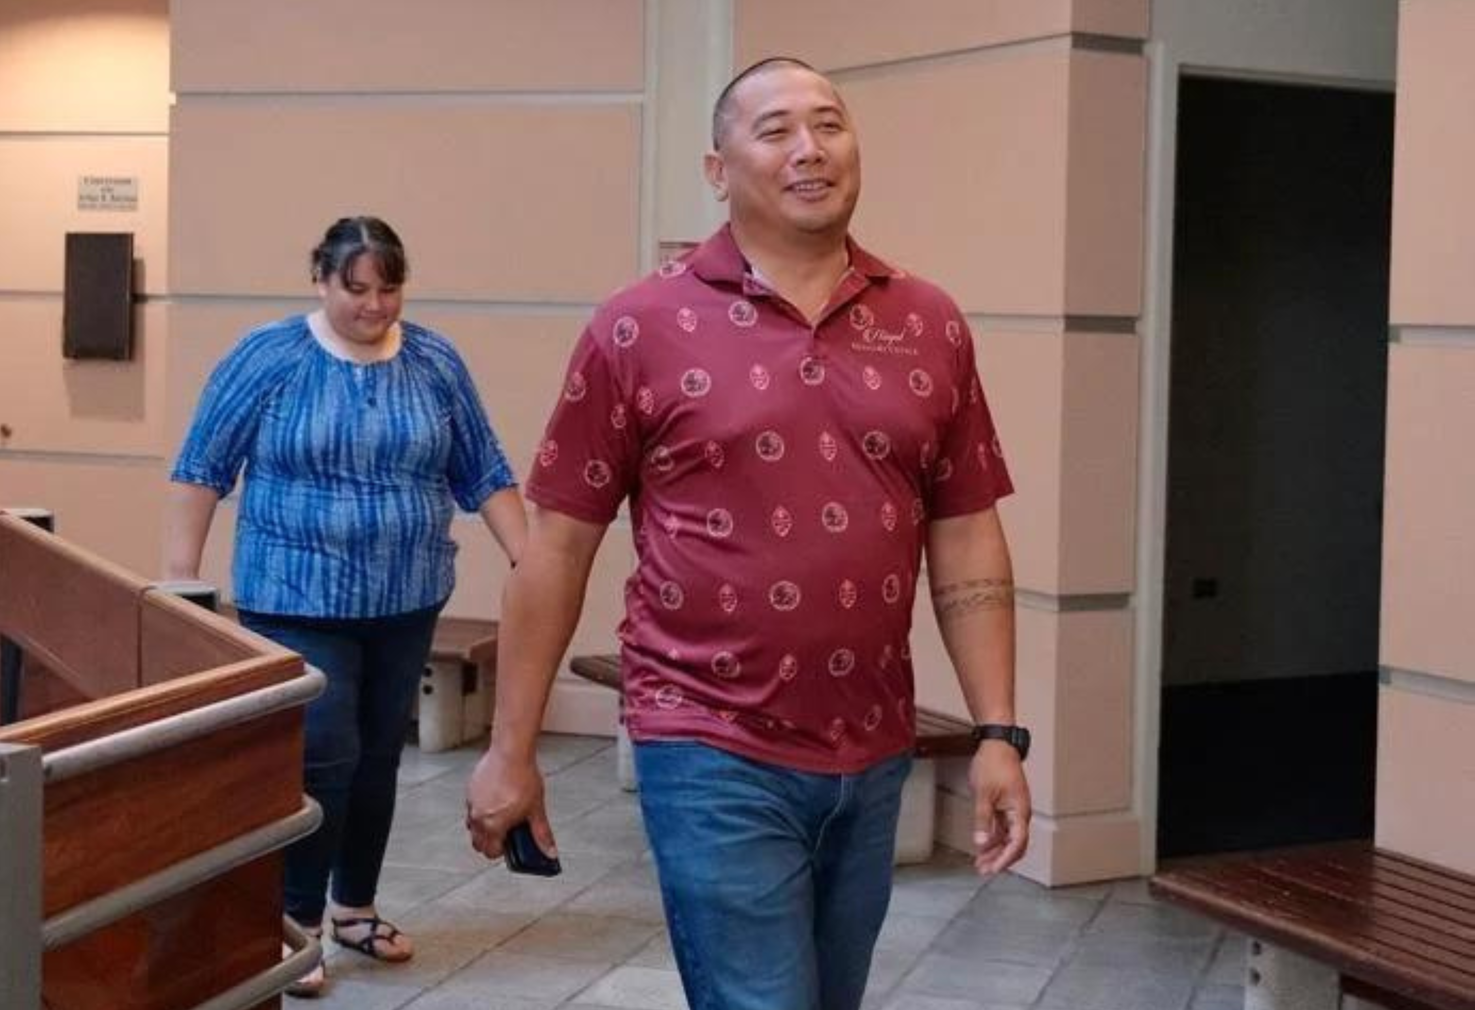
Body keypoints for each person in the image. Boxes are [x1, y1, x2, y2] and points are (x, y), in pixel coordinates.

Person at [465, 57, 1032, 1009]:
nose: (809, 150)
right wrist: (509, 747)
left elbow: (967, 532)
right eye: (775, 131)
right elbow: (557, 544)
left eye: (830, 125)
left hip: (873, 744)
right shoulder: (639, 326)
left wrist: (998, 731)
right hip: (706, 737)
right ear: (717, 169)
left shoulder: (928, 322)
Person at [164, 215, 525, 998]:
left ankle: (354, 906)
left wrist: (530, 560)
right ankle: (292, 925)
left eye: (388, 288)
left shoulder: (432, 360)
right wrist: (180, 584)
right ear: (320, 280)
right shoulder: (269, 357)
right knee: (322, 752)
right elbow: (201, 467)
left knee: (374, 758)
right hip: (292, 596)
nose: (373, 305)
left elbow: (484, 468)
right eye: (355, 288)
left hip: (406, 594)